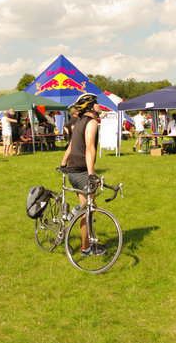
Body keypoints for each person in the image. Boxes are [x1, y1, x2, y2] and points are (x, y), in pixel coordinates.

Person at [60, 93, 106, 256]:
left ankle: (87, 243)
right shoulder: (92, 122)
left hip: (73, 171)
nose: (99, 106)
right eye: (97, 103)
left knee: (86, 208)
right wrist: (92, 174)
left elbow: (71, 144)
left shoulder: (79, 121)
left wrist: (63, 163)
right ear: (91, 106)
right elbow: (89, 149)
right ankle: (87, 248)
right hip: (82, 172)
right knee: (88, 211)